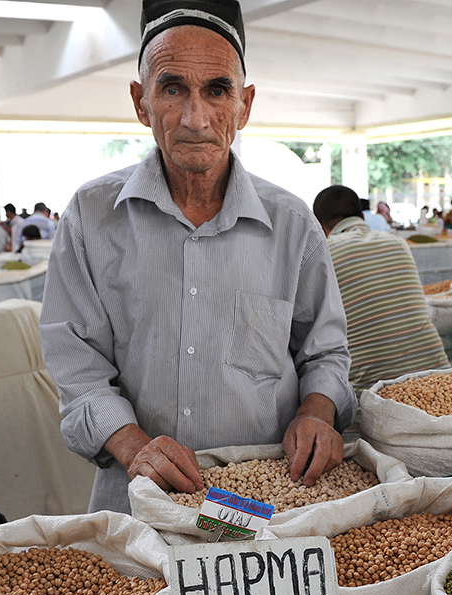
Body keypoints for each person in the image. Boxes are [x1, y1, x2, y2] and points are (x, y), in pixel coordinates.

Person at [39, 0, 356, 515]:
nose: (196, 118)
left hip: (267, 505)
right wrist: (133, 446)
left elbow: (324, 352)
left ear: (244, 106)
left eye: (217, 90)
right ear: (141, 102)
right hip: (141, 501)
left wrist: (317, 413)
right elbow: (76, 366)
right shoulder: (91, 217)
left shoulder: (292, 223)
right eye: (172, 89)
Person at [313, 185, 449, 396]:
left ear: (320, 225)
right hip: (439, 379)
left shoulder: (323, 252)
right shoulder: (398, 242)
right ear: (362, 216)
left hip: (373, 393)